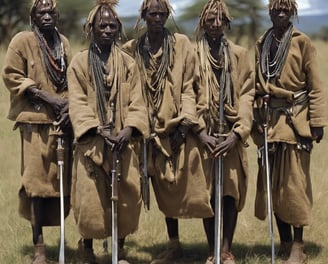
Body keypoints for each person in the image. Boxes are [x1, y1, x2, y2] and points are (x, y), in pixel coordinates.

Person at [123, 0, 213, 263]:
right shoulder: (131, 49)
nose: (158, 18)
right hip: (143, 133)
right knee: (143, 191)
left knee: (191, 189)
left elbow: (189, 86)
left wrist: (184, 127)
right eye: (153, 13)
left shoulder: (182, 44)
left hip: (176, 129)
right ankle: (138, 247)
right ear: (143, 16)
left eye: (163, 13)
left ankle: (213, 249)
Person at [67, 0, 149, 263]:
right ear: (92, 27)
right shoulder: (79, 63)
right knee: (90, 199)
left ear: (118, 29)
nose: (107, 30)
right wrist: (97, 130)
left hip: (122, 143)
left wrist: (129, 129)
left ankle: (120, 248)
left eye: (112, 25)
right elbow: (77, 101)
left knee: (124, 197)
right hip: (91, 143)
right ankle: (87, 248)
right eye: (102, 25)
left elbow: (138, 100)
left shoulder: (127, 63)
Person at [252, 0, 327, 263]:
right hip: (270, 123)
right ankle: (284, 241)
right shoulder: (262, 42)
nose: (280, 13)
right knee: (272, 186)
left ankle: (298, 244)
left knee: (294, 186)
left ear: (292, 12)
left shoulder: (302, 41)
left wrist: (317, 122)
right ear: (270, 12)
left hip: (296, 121)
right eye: (276, 9)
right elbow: (256, 83)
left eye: (285, 10)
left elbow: (316, 86)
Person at [2, 0, 72, 263]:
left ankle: (71, 243)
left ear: (57, 15)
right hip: (34, 122)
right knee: (34, 184)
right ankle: (39, 248)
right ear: (33, 15)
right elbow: (11, 75)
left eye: (51, 12)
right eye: (41, 12)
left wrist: (67, 107)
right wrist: (45, 97)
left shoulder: (63, 42)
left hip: (60, 125)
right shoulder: (22, 40)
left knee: (60, 183)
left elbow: (68, 78)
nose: (46, 16)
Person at [193, 1, 255, 263]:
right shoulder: (193, 54)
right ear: (202, 23)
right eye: (210, 20)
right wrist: (200, 132)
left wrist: (237, 134)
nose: (216, 24)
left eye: (220, 19)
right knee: (207, 194)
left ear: (227, 22)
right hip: (204, 137)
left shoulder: (239, 54)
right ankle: (211, 249)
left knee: (230, 192)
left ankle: (226, 249)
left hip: (230, 135)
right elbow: (187, 92)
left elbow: (247, 95)